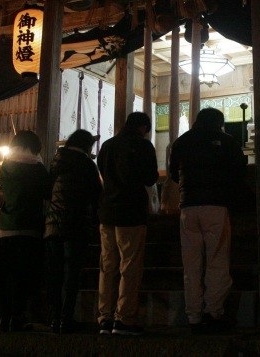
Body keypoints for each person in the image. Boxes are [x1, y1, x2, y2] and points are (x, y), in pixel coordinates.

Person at [168, 107, 247, 334]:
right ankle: (214, 312)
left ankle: (193, 316)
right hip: (216, 206)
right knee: (217, 260)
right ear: (219, 122)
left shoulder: (181, 142)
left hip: (188, 207)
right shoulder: (226, 141)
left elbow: (174, 173)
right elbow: (238, 170)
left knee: (191, 264)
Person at [95, 112, 159, 336]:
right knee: (129, 266)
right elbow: (151, 178)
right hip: (131, 212)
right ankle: (123, 318)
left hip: (107, 212)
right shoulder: (144, 146)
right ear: (143, 127)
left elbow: (101, 171)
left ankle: (104, 317)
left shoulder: (108, 145)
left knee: (107, 265)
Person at [44, 129, 103, 334]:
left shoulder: (56, 162)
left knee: (55, 273)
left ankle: (53, 318)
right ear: (87, 146)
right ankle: (66, 319)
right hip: (76, 225)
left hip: (53, 225)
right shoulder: (87, 165)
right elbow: (97, 195)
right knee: (71, 274)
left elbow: (47, 191)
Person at [0, 130, 51, 332]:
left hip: (6, 228)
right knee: (24, 277)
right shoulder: (37, 168)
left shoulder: (6, 166)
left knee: (6, 276)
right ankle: (18, 317)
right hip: (30, 229)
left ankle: (4, 316)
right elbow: (48, 191)